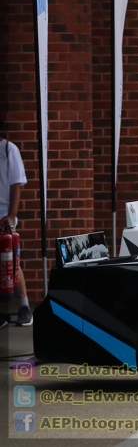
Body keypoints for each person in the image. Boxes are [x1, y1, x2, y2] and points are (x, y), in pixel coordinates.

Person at [1, 127, 31, 325]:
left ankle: (24, 307)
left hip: (3, 217)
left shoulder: (8, 150)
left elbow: (16, 184)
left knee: (11, 264)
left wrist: (11, 215)